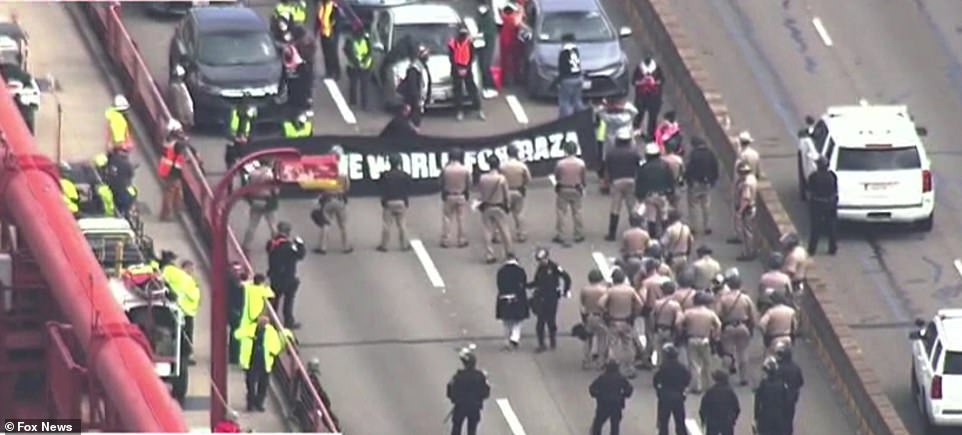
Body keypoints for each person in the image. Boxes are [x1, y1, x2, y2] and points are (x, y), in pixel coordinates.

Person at [599, 268, 644, 378]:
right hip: (627, 320)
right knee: (628, 345)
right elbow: (640, 303)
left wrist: (606, 313)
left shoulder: (611, 291)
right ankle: (628, 368)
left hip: (614, 320)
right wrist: (634, 314)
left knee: (613, 345)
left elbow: (600, 303)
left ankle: (612, 368)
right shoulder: (630, 290)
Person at [237, 316, 285, 412]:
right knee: (250, 384)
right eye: (261, 323)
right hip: (251, 361)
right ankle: (250, 403)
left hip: (265, 361)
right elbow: (238, 335)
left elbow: (276, 346)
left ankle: (259, 403)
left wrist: (273, 352)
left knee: (263, 384)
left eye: (265, 324)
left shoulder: (271, 332)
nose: (263, 325)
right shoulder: (249, 329)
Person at [528, 247, 572, 352]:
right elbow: (537, 282)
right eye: (538, 260)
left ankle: (553, 340)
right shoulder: (540, 268)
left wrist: (565, 290)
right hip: (541, 297)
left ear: (547, 257)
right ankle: (542, 344)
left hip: (552, 298)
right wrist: (526, 285)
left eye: (542, 259)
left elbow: (566, 277)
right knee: (540, 322)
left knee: (551, 320)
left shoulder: (554, 267)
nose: (540, 262)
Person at [715, 274, 755, 385]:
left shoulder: (723, 298)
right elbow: (752, 315)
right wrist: (751, 327)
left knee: (728, 353)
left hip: (728, 327)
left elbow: (718, 314)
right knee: (743, 352)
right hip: (743, 326)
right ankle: (744, 378)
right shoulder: (746, 298)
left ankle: (725, 376)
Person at [161, 258, 201, 365]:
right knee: (182, 335)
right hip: (182, 310)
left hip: (186, 311)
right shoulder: (183, 278)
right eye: (190, 268)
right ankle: (183, 357)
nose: (192, 271)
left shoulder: (187, 279)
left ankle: (184, 356)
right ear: (184, 268)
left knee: (185, 335)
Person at [266, 222, 307, 328]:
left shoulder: (272, 243)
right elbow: (300, 255)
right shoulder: (289, 246)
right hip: (288, 278)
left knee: (274, 300)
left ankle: (272, 320)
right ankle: (288, 322)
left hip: (275, 277)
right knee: (288, 302)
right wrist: (300, 244)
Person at [680, 291, 721, 394]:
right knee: (707, 363)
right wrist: (715, 335)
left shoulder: (688, 312)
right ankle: (709, 385)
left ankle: (697, 386)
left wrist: (682, 331)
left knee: (694, 364)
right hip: (705, 339)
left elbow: (678, 322)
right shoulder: (710, 313)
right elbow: (718, 325)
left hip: (692, 338)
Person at [314, 146, 352, 254]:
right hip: (340, 200)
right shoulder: (343, 170)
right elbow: (347, 186)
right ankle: (346, 247)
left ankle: (322, 247)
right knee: (343, 225)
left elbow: (320, 184)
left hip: (327, 200)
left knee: (325, 224)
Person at [604, 128, 640, 241]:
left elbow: (607, 168)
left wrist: (607, 181)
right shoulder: (634, 152)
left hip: (617, 181)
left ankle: (612, 234)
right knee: (632, 207)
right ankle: (637, 231)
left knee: (615, 208)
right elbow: (638, 166)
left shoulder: (611, 153)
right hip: (631, 180)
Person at [477, 154, 513, 263]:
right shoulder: (501, 179)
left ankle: (489, 254)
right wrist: (508, 205)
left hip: (487, 206)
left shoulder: (483, 178)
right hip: (499, 206)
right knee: (504, 230)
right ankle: (509, 252)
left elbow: (481, 193)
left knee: (487, 231)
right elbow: (506, 195)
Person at [635, 142, 675, 237]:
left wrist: (639, 195)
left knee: (651, 217)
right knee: (664, 215)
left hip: (649, 195)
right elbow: (670, 180)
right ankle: (665, 235)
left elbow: (639, 182)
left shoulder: (644, 167)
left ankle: (652, 237)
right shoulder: (665, 166)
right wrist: (671, 192)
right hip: (663, 195)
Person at [446, 350, 491, 435]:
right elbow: (486, 392)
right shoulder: (480, 376)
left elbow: (450, 390)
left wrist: (455, 400)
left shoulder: (458, 376)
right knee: (472, 430)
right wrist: (478, 399)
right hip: (474, 407)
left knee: (456, 428)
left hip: (460, 407)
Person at [241, 161, 280, 252]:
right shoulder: (270, 175)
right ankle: (277, 244)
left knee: (252, 225)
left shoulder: (253, 173)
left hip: (256, 200)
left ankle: (246, 245)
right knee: (272, 224)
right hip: (268, 201)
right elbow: (275, 190)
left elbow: (248, 186)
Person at [553, 141, 587, 247]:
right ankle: (578, 233)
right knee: (577, 212)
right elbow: (583, 177)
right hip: (576, 189)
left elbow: (557, 176)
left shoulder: (560, 164)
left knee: (561, 212)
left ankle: (560, 234)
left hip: (563, 189)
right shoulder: (581, 163)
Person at [654, 343, 692, 435]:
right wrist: (683, 388)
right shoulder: (682, 368)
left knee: (663, 423)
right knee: (680, 422)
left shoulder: (663, 367)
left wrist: (659, 391)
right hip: (678, 396)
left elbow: (656, 380)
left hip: (665, 397)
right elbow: (688, 378)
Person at [377, 154, 413, 252]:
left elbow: (380, 185)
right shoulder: (404, 175)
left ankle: (384, 245)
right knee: (402, 225)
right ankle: (404, 245)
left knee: (387, 225)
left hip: (388, 202)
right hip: (401, 201)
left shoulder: (385, 175)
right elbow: (410, 186)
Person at [449, 26, 484, 121]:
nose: (463, 36)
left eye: (465, 34)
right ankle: (459, 111)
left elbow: (472, 57)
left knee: (472, 89)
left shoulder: (469, 43)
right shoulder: (452, 43)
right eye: (461, 34)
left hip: (467, 69)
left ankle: (479, 110)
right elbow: (451, 58)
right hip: (456, 70)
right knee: (458, 91)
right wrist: (458, 69)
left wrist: (466, 69)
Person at [685, 137, 719, 235]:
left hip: (695, 183)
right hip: (707, 183)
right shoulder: (710, 154)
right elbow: (715, 167)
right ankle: (707, 226)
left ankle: (694, 227)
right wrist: (713, 180)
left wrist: (688, 181)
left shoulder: (693, 155)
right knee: (706, 205)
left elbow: (689, 169)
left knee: (693, 206)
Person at [589, 360, 634, 435]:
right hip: (616, 405)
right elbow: (629, 389)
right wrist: (623, 396)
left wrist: (598, 396)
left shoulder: (602, 378)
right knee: (615, 426)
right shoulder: (620, 378)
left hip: (603, 404)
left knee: (598, 423)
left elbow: (592, 388)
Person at [806, 156, 838, 255]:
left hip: (817, 203)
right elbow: (835, 189)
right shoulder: (832, 176)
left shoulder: (814, 176)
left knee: (815, 227)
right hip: (830, 203)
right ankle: (832, 248)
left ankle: (812, 249)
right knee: (831, 226)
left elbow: (810, 189)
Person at [496, 254, 529, 350]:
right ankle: (514, 338)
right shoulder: (520, 271)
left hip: (503, 298)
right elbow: (523, 284)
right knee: (518, 320)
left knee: (506, 321)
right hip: (517, 298)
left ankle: (507, 339)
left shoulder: (501, 271)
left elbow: (499, 285)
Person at [499, 144, 531, 243]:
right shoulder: (521, 165)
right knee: (519, 214)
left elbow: (498, 179)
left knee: (501, 214)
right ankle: (521, 234)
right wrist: (523, 185)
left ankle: (499, 236)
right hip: (518, 190)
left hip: (505, 191)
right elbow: (528, 179)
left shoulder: (502, 166)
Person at [441, 148, 471, 249]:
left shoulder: (446, 169)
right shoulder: (464, 169)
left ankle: (446, 239)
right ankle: (462, 239)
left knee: (447, 218)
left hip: (449, 195)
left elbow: (441, 182)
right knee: (461, 218)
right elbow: (469, 183)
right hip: (461, 194)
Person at [729, 161, 758, 261]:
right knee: (750, 231)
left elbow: (746, 199)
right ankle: (751, 250)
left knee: (747, 233)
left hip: (747, 210)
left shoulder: (746, 183)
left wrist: (740, 211)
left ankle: (748, 253)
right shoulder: (752, 179)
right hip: (752, 207)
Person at [580, 269, 609, 368]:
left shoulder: (585, 290)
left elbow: (583, 303)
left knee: (588, 339)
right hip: (600, 317)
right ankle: (601, 362)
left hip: (589, 316)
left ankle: (586, 360)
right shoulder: (604, 290)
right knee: (602, 339)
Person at [754, 358, 790, 435]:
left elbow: (757, 401)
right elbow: (787, 402)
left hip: (765, 415)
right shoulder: (782, 385)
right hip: (778, 415)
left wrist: (756, 416)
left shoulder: (763, 384)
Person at [632, 53, 665, 137]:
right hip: (641, 96)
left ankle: (651, 133)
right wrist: (641, 82)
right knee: (639, 113)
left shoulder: (657, 68)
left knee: (653, 116)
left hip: (654, 97)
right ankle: (636, 128)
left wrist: (654, 82)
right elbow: (633, 81)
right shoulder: (639, 69)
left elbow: (662, 80)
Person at [698, 370, 740, 435]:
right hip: (727, 421)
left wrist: (703, 420)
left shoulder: (710, 392)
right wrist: (733, 419)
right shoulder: (730, 392)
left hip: (712, 422)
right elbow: (736, 408)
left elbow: (703, 408)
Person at [554, 33, 585, 118]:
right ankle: (582, 117)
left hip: (567, 79)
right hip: (578, 77)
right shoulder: (575, 50)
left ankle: (566, 121)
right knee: (577, 100)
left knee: (565, 101)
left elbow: (562, 68)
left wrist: (558, 81)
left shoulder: (564, 52)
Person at [344, 24, 373, 111]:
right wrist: (356, 62)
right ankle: (353, 102)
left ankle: (365, 105)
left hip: (366, 67)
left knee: (364, 87)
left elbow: (370, 51)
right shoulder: (350, 41)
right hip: (353, 67)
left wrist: (365, 59)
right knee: (353, 85)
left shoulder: (366, 40)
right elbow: (349, 53)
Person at [758, 292, 797, 358]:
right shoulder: (791, 311)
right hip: (787, 338)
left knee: (772, 358)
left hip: (774, 339)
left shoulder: (771, 311)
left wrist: (765, 333)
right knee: (786, 358)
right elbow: (795, 325)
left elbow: (761, 324)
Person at [775, 345, 804, 434]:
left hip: (780, 398)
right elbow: (801, 382)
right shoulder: (796, 368)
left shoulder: (778, 368)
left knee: (780, 418)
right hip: (792, 398)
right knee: (789, 419)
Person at [397, 47, 428, 127]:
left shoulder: (421, 68)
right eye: (425, 55)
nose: (427, 57)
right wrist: (415, 100)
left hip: (417, 100)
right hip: (413, 101)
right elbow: (413, 87)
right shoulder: (414, 70)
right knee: (412, 121)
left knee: (414, 121)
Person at [157, 141, 187, 221]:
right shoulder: (175, 157)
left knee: (176, 194)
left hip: (169, 175)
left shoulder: (170, 152)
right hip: (171, 176)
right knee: (170, 195)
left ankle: (174, 212)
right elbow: (177, 168)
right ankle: (166, 215)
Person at [306, 359, 340, 429]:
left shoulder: (308, 378)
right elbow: (319, 394)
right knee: (332, 420)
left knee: (332, 418)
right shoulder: (313, 381)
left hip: (317, 403)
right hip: (319, 404)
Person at [475, 0, 499, 98]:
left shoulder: (489, 18)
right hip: (480, 43)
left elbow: (490, 33)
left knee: (485, 66)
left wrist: (481, 34)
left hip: (488, 44)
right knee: (481, 66)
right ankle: (485, 87)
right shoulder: (480, 15)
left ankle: (491, 87)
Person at [105, 145, 137, 216]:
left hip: (110, 186)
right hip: (122, 189)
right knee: (133, 193)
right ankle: (128, 211)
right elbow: (131, 174)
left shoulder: (112, 159)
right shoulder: (127, 164)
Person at [228, 262, 249, 365]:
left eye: (239, 270)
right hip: (234, 310)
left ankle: (237, 355)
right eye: (235, 270)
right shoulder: (231, 282)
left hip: (240, 310)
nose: (238, 272)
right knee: (235, 334)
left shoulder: (240, 282)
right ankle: (234, 357)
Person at [660, 210, 693, 275]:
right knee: (682, 277)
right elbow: (691, 241)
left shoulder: (670, 229)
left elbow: (663, 243)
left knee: (672, 277)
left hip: (673, 258)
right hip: (684, 257)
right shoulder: (686, 228)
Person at [498, 3, 523, 86]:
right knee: (515, 62)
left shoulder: (505, 18)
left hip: (505, 43)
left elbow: (501, 13)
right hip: (512, 43)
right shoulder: (512, 19)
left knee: (505, 63)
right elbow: (518, 21)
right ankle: (515, 79)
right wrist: (520, 11)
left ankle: (504, 80)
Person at [315, 0, 341, 80]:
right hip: (323, 33)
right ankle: (329, 72)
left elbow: (337, 21)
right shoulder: (321, 6)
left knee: (333, 53)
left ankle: (337, 73)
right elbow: (318, 20)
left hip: (332, 34)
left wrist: (333, 32)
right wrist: (315, 32)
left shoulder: (334, 7)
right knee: (326, 53)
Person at [168, 65, 194, 131]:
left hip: (185, 111)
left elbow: (187, 101)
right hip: (180, 112)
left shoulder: (182, 86)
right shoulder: (175, 87)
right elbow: (178, 102)